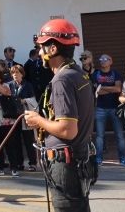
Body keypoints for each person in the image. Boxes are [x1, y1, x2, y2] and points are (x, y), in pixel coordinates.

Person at [23, 19, 97, 212]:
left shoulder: (62, 80)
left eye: (41, 47)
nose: (39, 53)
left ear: (53, 49)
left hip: (67, 165)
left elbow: (67, 130)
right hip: (78, 161)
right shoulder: (77, 73)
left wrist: (38, 120)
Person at [92, 54, 125, 166]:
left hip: (114, 108)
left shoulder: (115, 73)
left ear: (111, 61)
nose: (103, 61)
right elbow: (96, 91)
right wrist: (110, 89)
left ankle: (123, 158)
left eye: (105, 59)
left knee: (120, 135)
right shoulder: (96, 74)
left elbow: (118, 88)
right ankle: (98, 158)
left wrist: (102, 87)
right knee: (99, 136)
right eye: (101, 59)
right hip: (100, 108)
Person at [7, 63, 39, 171]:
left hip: (25, 115)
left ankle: (33, 163)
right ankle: (19, 163)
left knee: (28, 141)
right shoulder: (10, 85)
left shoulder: (27, 85)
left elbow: (33, 99)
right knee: (15, 141)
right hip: (14, 116)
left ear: (22, 74)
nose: (15, 75)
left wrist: (24, 100)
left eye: (17, 72)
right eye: (13, 73)